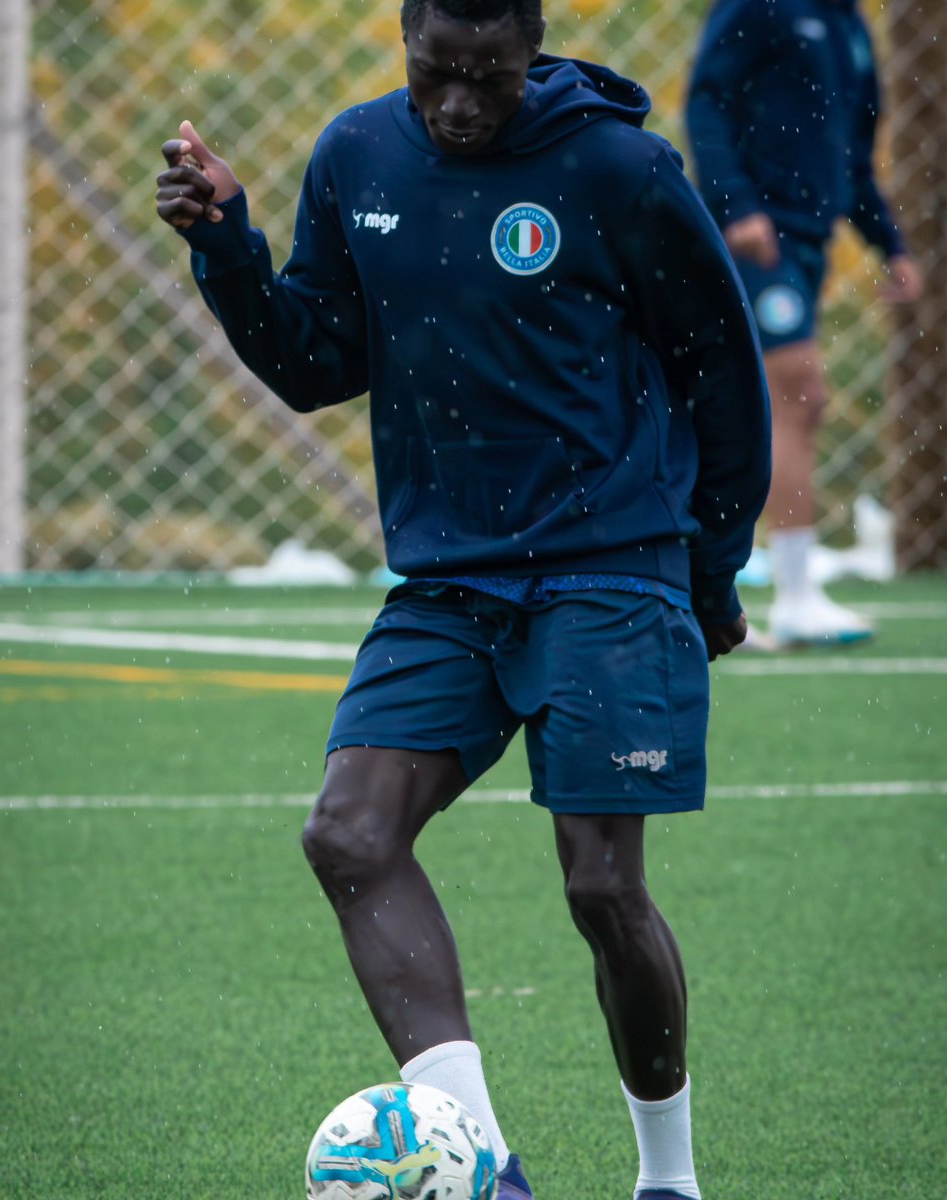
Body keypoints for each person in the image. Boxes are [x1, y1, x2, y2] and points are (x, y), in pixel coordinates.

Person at [156, 1, 770, 1196]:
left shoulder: (622, 169)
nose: (458, 104)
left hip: (612, 564)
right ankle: (484, 1164)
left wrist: (710, 572)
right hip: (448, 580)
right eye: (438, 73)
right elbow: (315, 364)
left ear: (531, 49)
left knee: (602, 885)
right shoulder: (356, 156)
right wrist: (228, 245)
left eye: (489, 78)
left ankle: (669, 1181)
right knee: (348, 833)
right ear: (406, 40)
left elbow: (722, 371)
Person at [685, 0, 921, 649]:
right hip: (762, 234)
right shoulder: (759, 5)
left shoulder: (849, 24)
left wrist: (889, 243)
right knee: (799, 392)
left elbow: (853, 150)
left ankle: (728, 585)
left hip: (810, 239)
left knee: (762, 404)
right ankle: (791, 593)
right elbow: (706, 99)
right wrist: (735, 205)